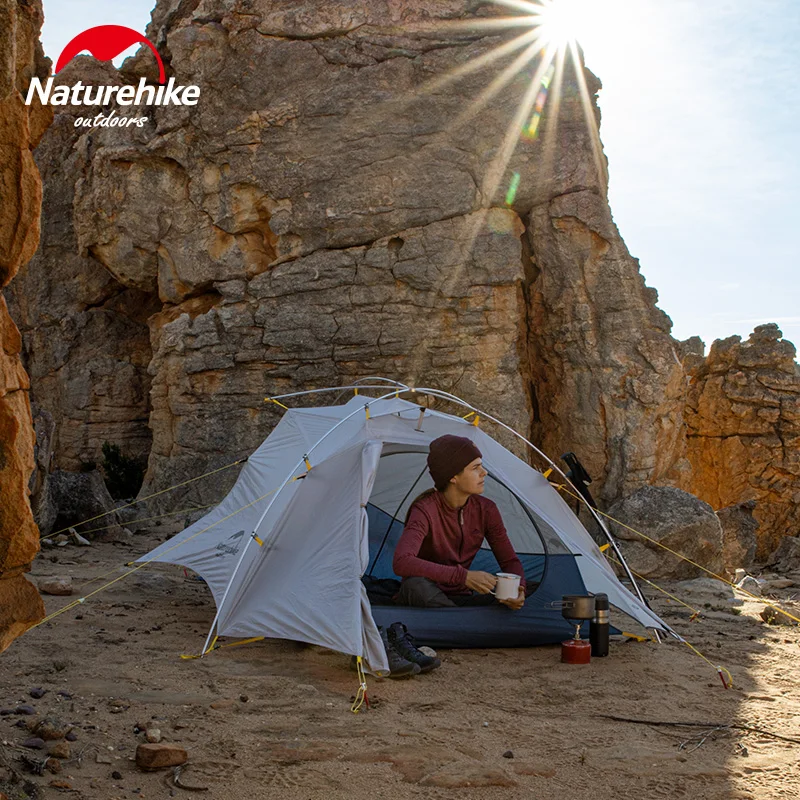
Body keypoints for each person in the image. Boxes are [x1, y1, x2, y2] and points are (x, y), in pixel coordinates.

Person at [392, 434, 526, 609]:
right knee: (415, 586)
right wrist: (463, 577)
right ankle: (461, 618)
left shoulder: (486, 510)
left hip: (462, 597)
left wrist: (519, 589)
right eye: (475, 468)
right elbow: (402, 562)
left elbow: (509, 561)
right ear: (453, 477)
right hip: (428, 593)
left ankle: (456, 617)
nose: (484, 472)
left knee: (528, 588)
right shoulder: (424, 510)